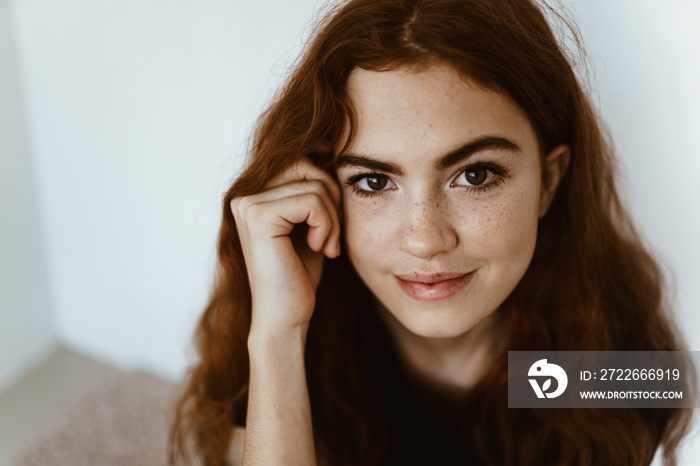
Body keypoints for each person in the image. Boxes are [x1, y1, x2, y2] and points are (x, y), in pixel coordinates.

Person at [168, 0, 693, 464]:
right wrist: (278, 334)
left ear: (549, 182)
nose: (424, 239)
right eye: (374, 181)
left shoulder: (620, 360)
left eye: (476, 174)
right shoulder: (289, 349)